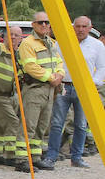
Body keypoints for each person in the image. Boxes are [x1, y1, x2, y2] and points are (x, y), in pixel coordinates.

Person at [45, 15, 105, 169]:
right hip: (64, 87)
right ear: (73, 27)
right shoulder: (63, 43)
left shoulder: (97, 46)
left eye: (84, 26)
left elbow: (102, 67)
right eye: (78, 26)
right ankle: (51, 156)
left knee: (80, 124)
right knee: (57, 123)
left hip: (84, 88)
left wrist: (94, 83)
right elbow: (54, 63)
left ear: (90, 28)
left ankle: (77, 157)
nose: (80, 29)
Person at [19, 11, 63, 171]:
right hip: (35, 89)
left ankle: (35, 157)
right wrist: (51, 77)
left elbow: (59, 61)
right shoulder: (28, 43)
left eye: (46, 22)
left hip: (49, 90)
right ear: (33, 25)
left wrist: (59, 74)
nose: (44, 25)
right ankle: (22, 159)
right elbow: (30, 67)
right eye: (40, 22)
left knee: (42, 126)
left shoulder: (51, 42)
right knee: (28, 125)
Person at [0, 23, 29, 169]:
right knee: (13, 123)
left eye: (17, 35)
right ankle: (11, 155)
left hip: (11, 96)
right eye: (11, 34)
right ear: (4, 37)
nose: (14, 37)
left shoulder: (17, 55)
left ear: (21, 38)